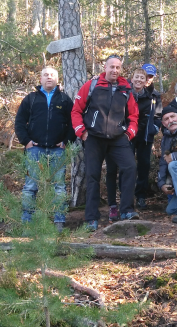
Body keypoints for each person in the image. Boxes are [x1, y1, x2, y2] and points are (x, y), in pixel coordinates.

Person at [71, 55, 140, 231]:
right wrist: (82, 132)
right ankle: (91, 218)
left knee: (130, 167)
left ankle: (126, 210)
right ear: (105, 67)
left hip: (118, 138)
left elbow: (133, 115)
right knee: (93, 176)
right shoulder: (92, 85)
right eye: (112, 67)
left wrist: (129, 133)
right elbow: (76, 110)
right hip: (94, 137)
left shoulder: (126, 89)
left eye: (118, 67)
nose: (115, 70)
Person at [14, 67, 76, 232]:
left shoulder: (64, 100)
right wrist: (26, 142)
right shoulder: (31, 99)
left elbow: (73, 123)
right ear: (40, 79)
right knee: (30, 186)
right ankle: (27, 222)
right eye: (46, 75)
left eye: (53, 75)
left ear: (57, 79)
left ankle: (59, 222)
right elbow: (20, 122)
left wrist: (65, 142)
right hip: (35, 149)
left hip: (57, 150)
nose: (49, 77)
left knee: (59, 187)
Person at [106, 68, 162, 218]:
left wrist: (154, 128)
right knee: (127, 166)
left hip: (144, 135)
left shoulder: (153, 96)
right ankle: (125, 196)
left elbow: (157, 115)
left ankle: (141, 196)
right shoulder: (124, 91)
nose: (139, 80)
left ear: (146, 81)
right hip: (126, 135)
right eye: (136, 77)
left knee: (143, 165)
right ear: (132, 78)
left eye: (142, 78)